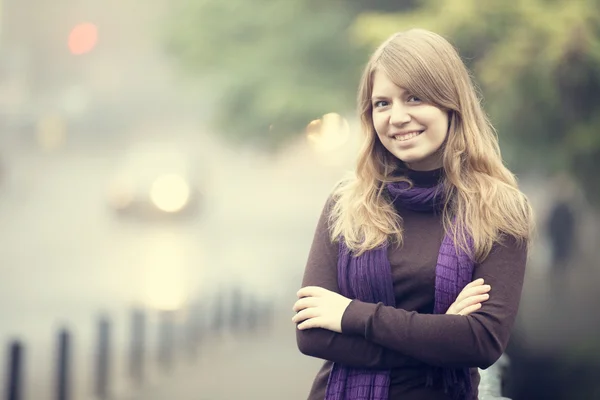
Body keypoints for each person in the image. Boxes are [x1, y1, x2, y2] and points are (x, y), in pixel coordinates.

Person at [292, 29, 534, 400]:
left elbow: (482, 342)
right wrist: (439, 336)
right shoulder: (347, 204)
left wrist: (351, 314)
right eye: (382, 104)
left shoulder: (499, 210)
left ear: (450, 103)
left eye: (415, 98)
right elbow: (311, 333)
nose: (397, 117)